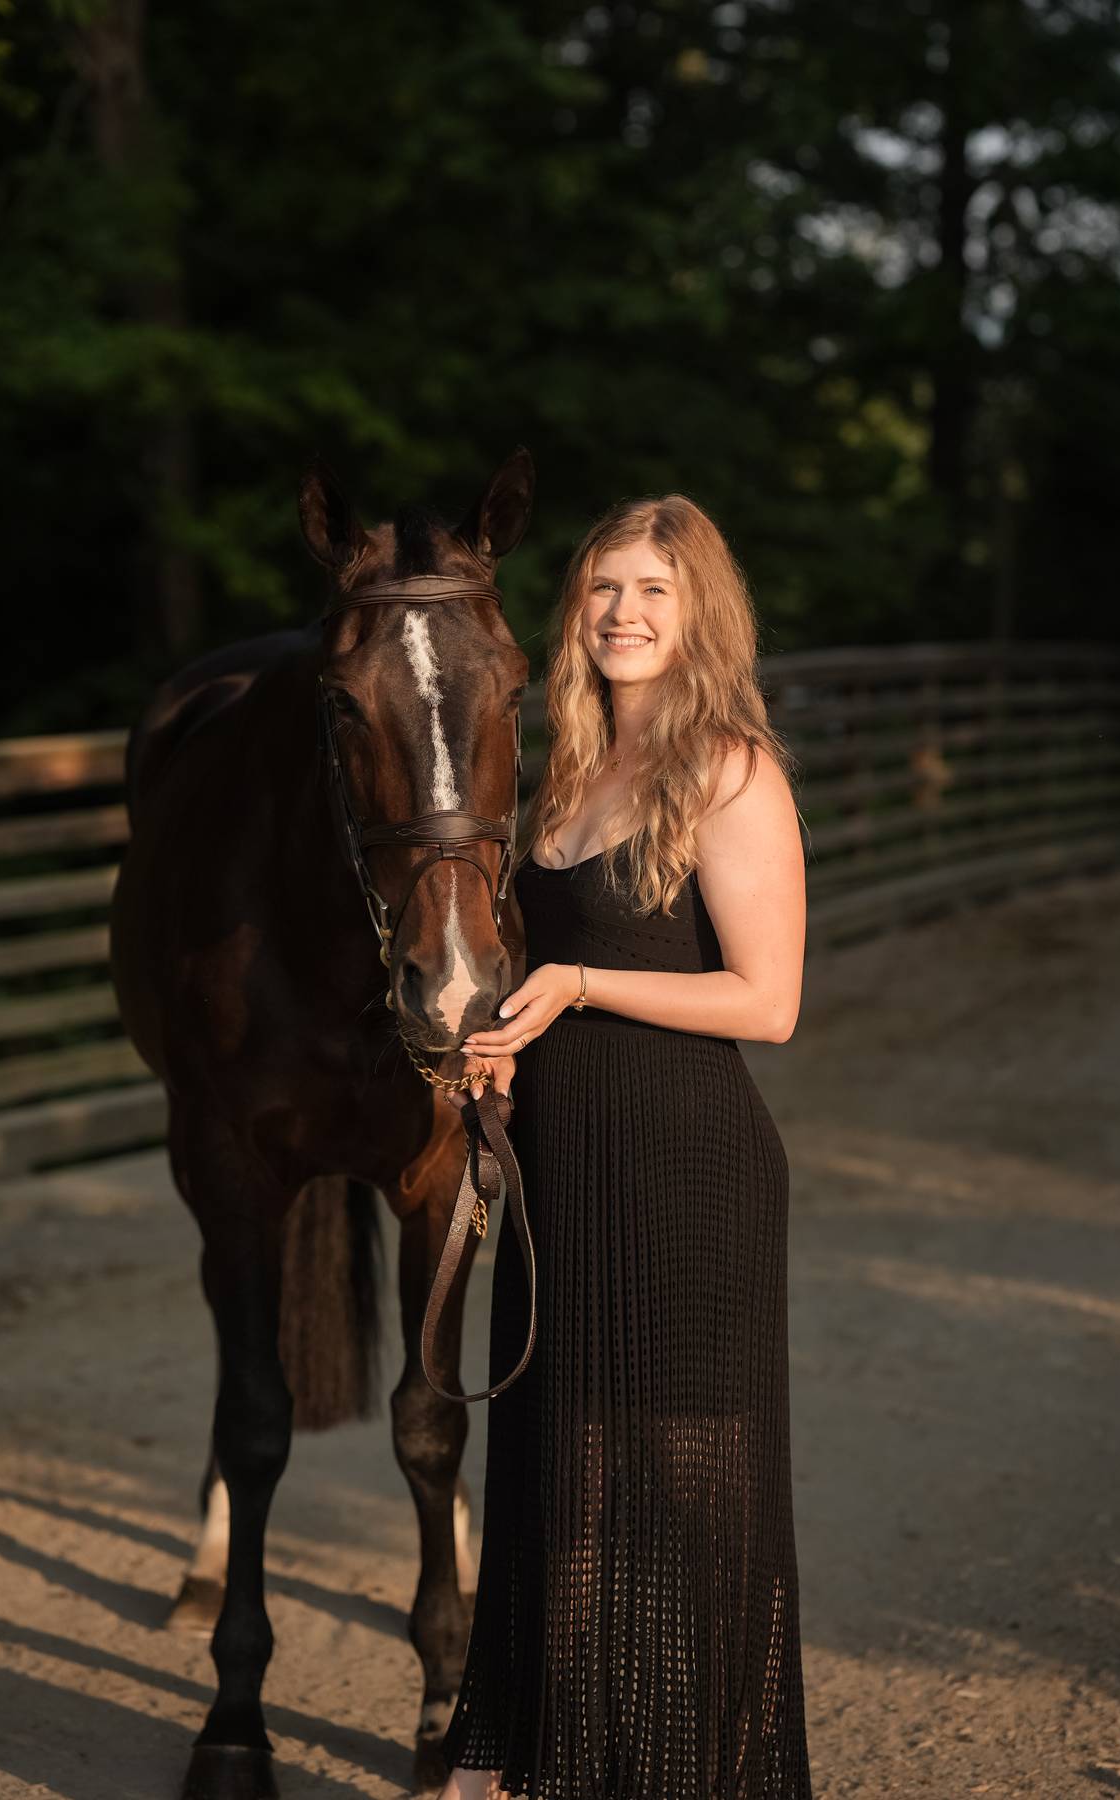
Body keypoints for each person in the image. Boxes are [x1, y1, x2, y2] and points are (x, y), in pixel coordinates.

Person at [437, 492, 812, 1800]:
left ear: (700, 610)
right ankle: (551, 1765)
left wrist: (583, 985)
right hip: (564, 1169)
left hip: (683, 1171)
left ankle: (700, 1774)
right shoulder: (566, 765)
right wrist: (505, 1032)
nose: (622, 613)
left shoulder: (730, 769)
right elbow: (537, 961)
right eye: (602, 588)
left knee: (689, 1497)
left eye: (652, 590)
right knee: (564, 1486)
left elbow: (770, 1002)